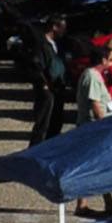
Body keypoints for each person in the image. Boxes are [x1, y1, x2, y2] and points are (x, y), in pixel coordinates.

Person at [78, 46, 112, 216]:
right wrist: (104, 126)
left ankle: (108, 201)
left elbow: (103, 103)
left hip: (95, 125)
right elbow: (96, 104)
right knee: (90, 166)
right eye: (109, 59)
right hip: (93, 128)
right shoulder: (92, 76)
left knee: (100, 165)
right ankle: (82, 204)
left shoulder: (94, 75)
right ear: (103, 60)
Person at [26, 17, 70, 146]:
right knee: (43, 123)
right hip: (46, 89)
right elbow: (37, 66)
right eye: (62, 27)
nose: (64, 31)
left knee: (56, 122)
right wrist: (44, 84)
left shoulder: (58, 44)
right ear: (54, 27)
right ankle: (34, 151)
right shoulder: (41, 44)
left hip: (58, 87)